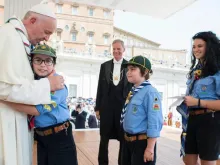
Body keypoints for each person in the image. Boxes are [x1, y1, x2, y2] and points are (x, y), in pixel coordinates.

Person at [0, 4, 65, 165]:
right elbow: (3, 87)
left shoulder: (22, 41)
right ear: (33, 20)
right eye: (46, 32)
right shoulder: (7, 35)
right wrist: (47, 85)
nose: (47, 38)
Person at [2, 44, 78, 165]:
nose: (43, 65)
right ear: (32, 62)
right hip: (41, 139)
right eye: (38, 60)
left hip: (60, 139)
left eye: (48, 61)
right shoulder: (33, 83)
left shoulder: (58, 83)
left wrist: (4, 100)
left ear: (54, 64)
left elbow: (37, 110)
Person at [177, 31, 220, 165]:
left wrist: (198, 102)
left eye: (200, 46)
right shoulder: (195, 70)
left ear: (210, 47)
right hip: (191, 119)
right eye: (194, 46)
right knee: (187, 159)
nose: (196, 50)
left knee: (208, 162)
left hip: (209, 121)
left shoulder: (217, 71)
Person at [95, 39, 132, 165]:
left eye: (118, 49)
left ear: (123, 50)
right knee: (104, 139)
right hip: (106, 107)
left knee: (123, 139)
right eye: (114, 49)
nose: (116, 51)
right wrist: (97, 108)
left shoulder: (129, 66)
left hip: (123, 108)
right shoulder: (104, 66)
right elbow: (100, 87)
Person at [121, 55, 163, 165]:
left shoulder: (150, 93)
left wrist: (150, 148)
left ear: (144, 72)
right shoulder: (134, 91)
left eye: (133, 69)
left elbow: (154, 122)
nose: (128, 72)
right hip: (128, 142)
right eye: (128, 69)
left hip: (141, 144)